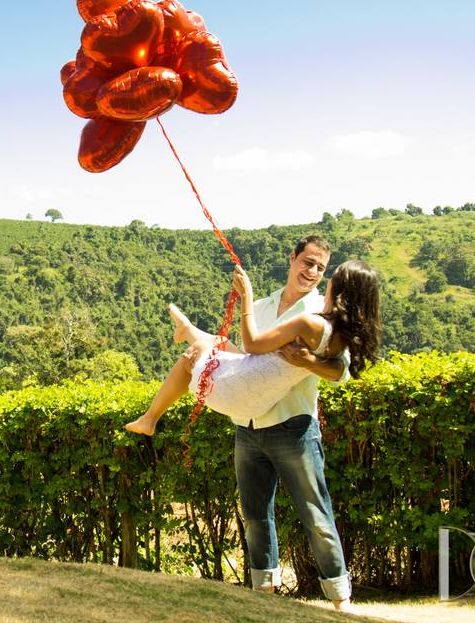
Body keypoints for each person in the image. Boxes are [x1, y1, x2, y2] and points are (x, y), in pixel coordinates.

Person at [125, 236, 381, 611]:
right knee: (255, 515)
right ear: (291, 258)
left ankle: (340, 597)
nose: (312, 272)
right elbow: (247, 358)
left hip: (293, 425)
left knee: (314, 511)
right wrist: (211, 341)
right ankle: (264, 592)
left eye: (320, 269)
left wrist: (309, 362)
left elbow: (341, 370)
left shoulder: (318, 314)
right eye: (307, 262)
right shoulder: (263, 306)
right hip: (249, 423)